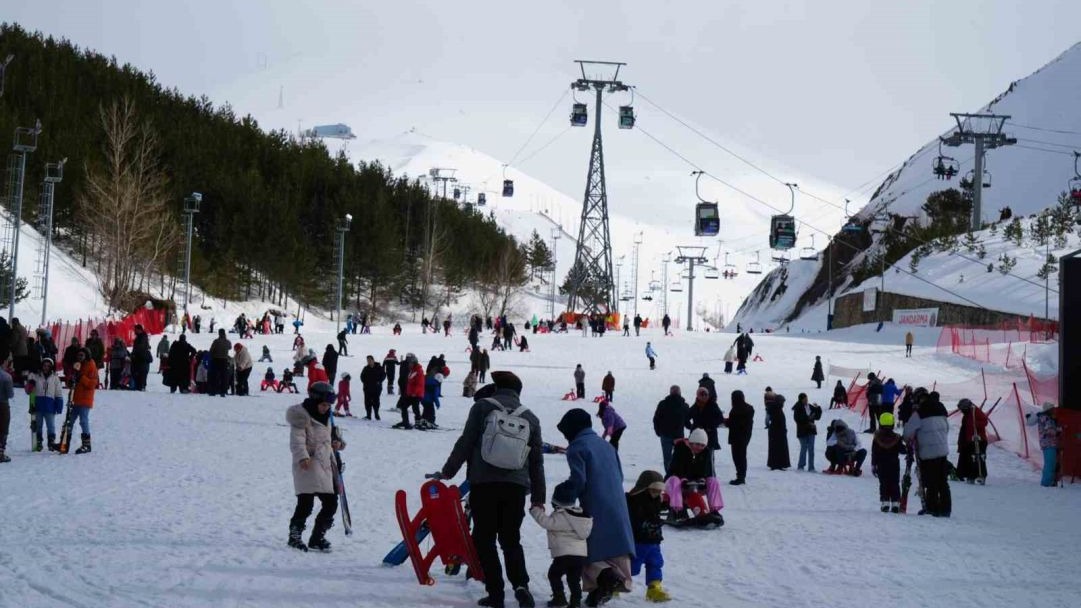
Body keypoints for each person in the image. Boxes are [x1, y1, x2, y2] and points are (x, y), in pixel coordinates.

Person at [438, 371, 545, 608]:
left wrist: (448, 472)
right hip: (516, 486)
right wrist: (538, 497)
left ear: (497, 388)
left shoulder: (483, 407)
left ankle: (495, 592)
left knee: (484, 539)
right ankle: (520, 586)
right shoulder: (531, 418)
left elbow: (466, 442)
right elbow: (537, 462)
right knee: (511, 539)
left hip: (484, 483)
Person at [554, 408, 635, 607]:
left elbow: (579, 480)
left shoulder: (577, 447)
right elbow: (620, 475)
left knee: (585, 548)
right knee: (615, 547)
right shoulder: (607, 446)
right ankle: (603, 588)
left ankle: (606, 578)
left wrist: (562, 496)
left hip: (595, 503)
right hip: (617, 502)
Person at [286, 381, 345, 552]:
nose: (326, 408)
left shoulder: (329, 417)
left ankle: (317, 537)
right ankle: (294, 535)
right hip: (308, 465)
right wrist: (303, 457)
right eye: (324, 405)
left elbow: (337, 438)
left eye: (328, 405)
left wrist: (338, 444)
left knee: (331, 503)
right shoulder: (301, 417)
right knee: (305, 504)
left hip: (326, 466)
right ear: (314, 400)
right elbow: (297, 441)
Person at [529, 485, 592, 608]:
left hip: (564, 555)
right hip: (580, 556)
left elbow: (546, 522)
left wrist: (536, 510)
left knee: (554, 575)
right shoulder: (581, 516)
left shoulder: (561, 515)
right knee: (574, 579)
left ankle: (559, 598)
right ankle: (575, 602)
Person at [902, 391, 951, 516]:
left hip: (928, 453)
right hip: (942, 450)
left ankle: (932, 508)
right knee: (942, 481)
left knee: (931, 482)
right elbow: (947, 428)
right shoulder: (941, 408)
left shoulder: (919, 413)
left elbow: (907, 433)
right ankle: (945, 509)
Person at [625, 470, 671, 602]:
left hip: (654, 541)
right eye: (654, 490)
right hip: (638, 541)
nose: (657, 493)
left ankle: (654, 588)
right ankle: (615, 584)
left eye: (659, 491)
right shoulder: (632, 501)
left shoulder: (656, 500)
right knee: (631, 568)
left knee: (656, 563)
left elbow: (655, 514)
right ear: (645, 488)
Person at [666, 429, 725, 517]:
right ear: (691, 442)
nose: (699, 447)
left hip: (695, 484)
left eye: (702, 445)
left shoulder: (705, 452)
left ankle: (714, 510)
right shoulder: (680, 449)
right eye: (697, 444)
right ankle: (677, 511)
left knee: (713, 481)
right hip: (676, 482)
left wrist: (702, 480)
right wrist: (683, 480)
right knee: (675, 480)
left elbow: (706, 471)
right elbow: (675, 469)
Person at [26, 358, 63, 452]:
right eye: (44, 365)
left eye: (48, 366)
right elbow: (28, 391)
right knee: (38, 425)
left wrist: (59, 404)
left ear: (51, 367)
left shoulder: (55, 378)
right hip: (38, 405)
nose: (46, 367)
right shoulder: (36, 376)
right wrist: (30, 384)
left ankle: (51, 442)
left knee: (51, 425)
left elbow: (58, 392)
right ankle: (38, 442)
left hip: (50, 406)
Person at [872, 412, 905, 513]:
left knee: (884, 483)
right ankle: (895, 503)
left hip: (881, 464)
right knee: (894, 483)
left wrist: (874, 465)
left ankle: (885, 502)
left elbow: (874, 452)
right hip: (894, 463)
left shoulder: (877, 438)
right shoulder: (897, 438)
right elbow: (902, 450)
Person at [686, 386, 724, 475]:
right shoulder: (695, 406)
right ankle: (698, 476)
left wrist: (710, 426)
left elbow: (720, 419)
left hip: (710, 436)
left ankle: (711, 478)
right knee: (695, 457)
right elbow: (686, 417)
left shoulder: (713, 405)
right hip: (696, 437)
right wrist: (691, 427)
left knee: (709, 458)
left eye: (705, 394)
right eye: (701, 394)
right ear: (697, 395)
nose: (704, 396)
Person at [653, 386, 689, 474]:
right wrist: (691, 427)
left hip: (665, 434)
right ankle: (677, 474)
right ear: (680, 393)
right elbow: (687, 420)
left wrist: (658, 431)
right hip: (679, 435)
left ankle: (669, 474)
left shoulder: (663, 404)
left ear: (670, 392)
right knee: (679, 456)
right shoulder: (684, 405)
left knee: (667, 458)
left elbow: (656, 419)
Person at [70, 349, 98, 454]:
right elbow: (72, 381)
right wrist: (71, 380)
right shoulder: (78, 366)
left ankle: (86, 445)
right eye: (78, 355)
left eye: (82, 355)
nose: (79, 357)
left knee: (83, 421)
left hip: (85, 399)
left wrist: (81, 377)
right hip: (76, 398)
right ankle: (65, 442)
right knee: (70, 420)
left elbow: (92, 384)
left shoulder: (91, 366)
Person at [955, 398, 988, 484]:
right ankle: (970, 476)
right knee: (970, 459)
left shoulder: (974, 411)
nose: (961, 411)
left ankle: (981, 475)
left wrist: (975, 424)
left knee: (979, 458)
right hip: (969, 440)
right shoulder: (967, 414)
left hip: (978, 440)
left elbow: (984, 421)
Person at [726, 390, 754, 485]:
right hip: (745, 436)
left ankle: (740, 477)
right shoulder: (749, 408)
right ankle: (741, 476)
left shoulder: (735, 410)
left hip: (736, 437)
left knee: (737, 457)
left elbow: (733, 423)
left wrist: (724, 421)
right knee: (742, 456)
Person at [1033, 402, 1062, 487]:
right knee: (1050, 464)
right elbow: (1049, 430)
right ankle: (1046, 483)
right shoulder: (1045, 418)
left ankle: (1049, 481)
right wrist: (1058, 430)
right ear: (1048, 410)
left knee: (1051, 463)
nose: (1054, 410)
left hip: (1049, 443)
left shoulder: (1046, 417)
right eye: (1052, 409)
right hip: (1049, 443)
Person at [792, 393, 821, 472]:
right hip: (802, 431)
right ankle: (801, 466)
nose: (806, 400)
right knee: (803, 448)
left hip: (811, 430)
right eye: (805, 399)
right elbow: (797, 419)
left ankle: (811, 467)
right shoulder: (797, 408)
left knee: (811, 449)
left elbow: (817, 417)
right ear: (801, 399)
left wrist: (818, 408)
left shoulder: (810, 406)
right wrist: (808, 419)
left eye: (807, 399)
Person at [393, 354, 424, 430]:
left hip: (416, 394)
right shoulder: (412, 370)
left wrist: (414, 392)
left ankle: (418, 423)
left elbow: (419, 383)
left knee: (415, 408)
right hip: (410, 394)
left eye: (410, 363)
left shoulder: (418, 370)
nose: (409, 364)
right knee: (404, 407)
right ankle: (405, 422)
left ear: (414, 362)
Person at [764, 387, 791, 471]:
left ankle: (775, 464)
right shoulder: (775, 408)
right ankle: (778, 464)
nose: (783, 404)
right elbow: (767, 419)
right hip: (778, 430)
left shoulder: (773, 408)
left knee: (775, 447)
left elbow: (767, 419)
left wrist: (768, 425)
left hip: (776, 430)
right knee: (779, 447)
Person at [209, 329, 232, 397]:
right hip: (224, 360)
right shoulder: (227, 341)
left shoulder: (216, 341)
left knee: (215, 376)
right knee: (224, 377)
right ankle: (223, 392)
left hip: (216, 360)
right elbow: (230, 347)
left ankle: (213, 391)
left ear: (219, 334)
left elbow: (211, 350)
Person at [0, 364, 12, 462]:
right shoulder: (6, 377)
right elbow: (10, 394)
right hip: (3, 404)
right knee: (3, 428)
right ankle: (0, 452)